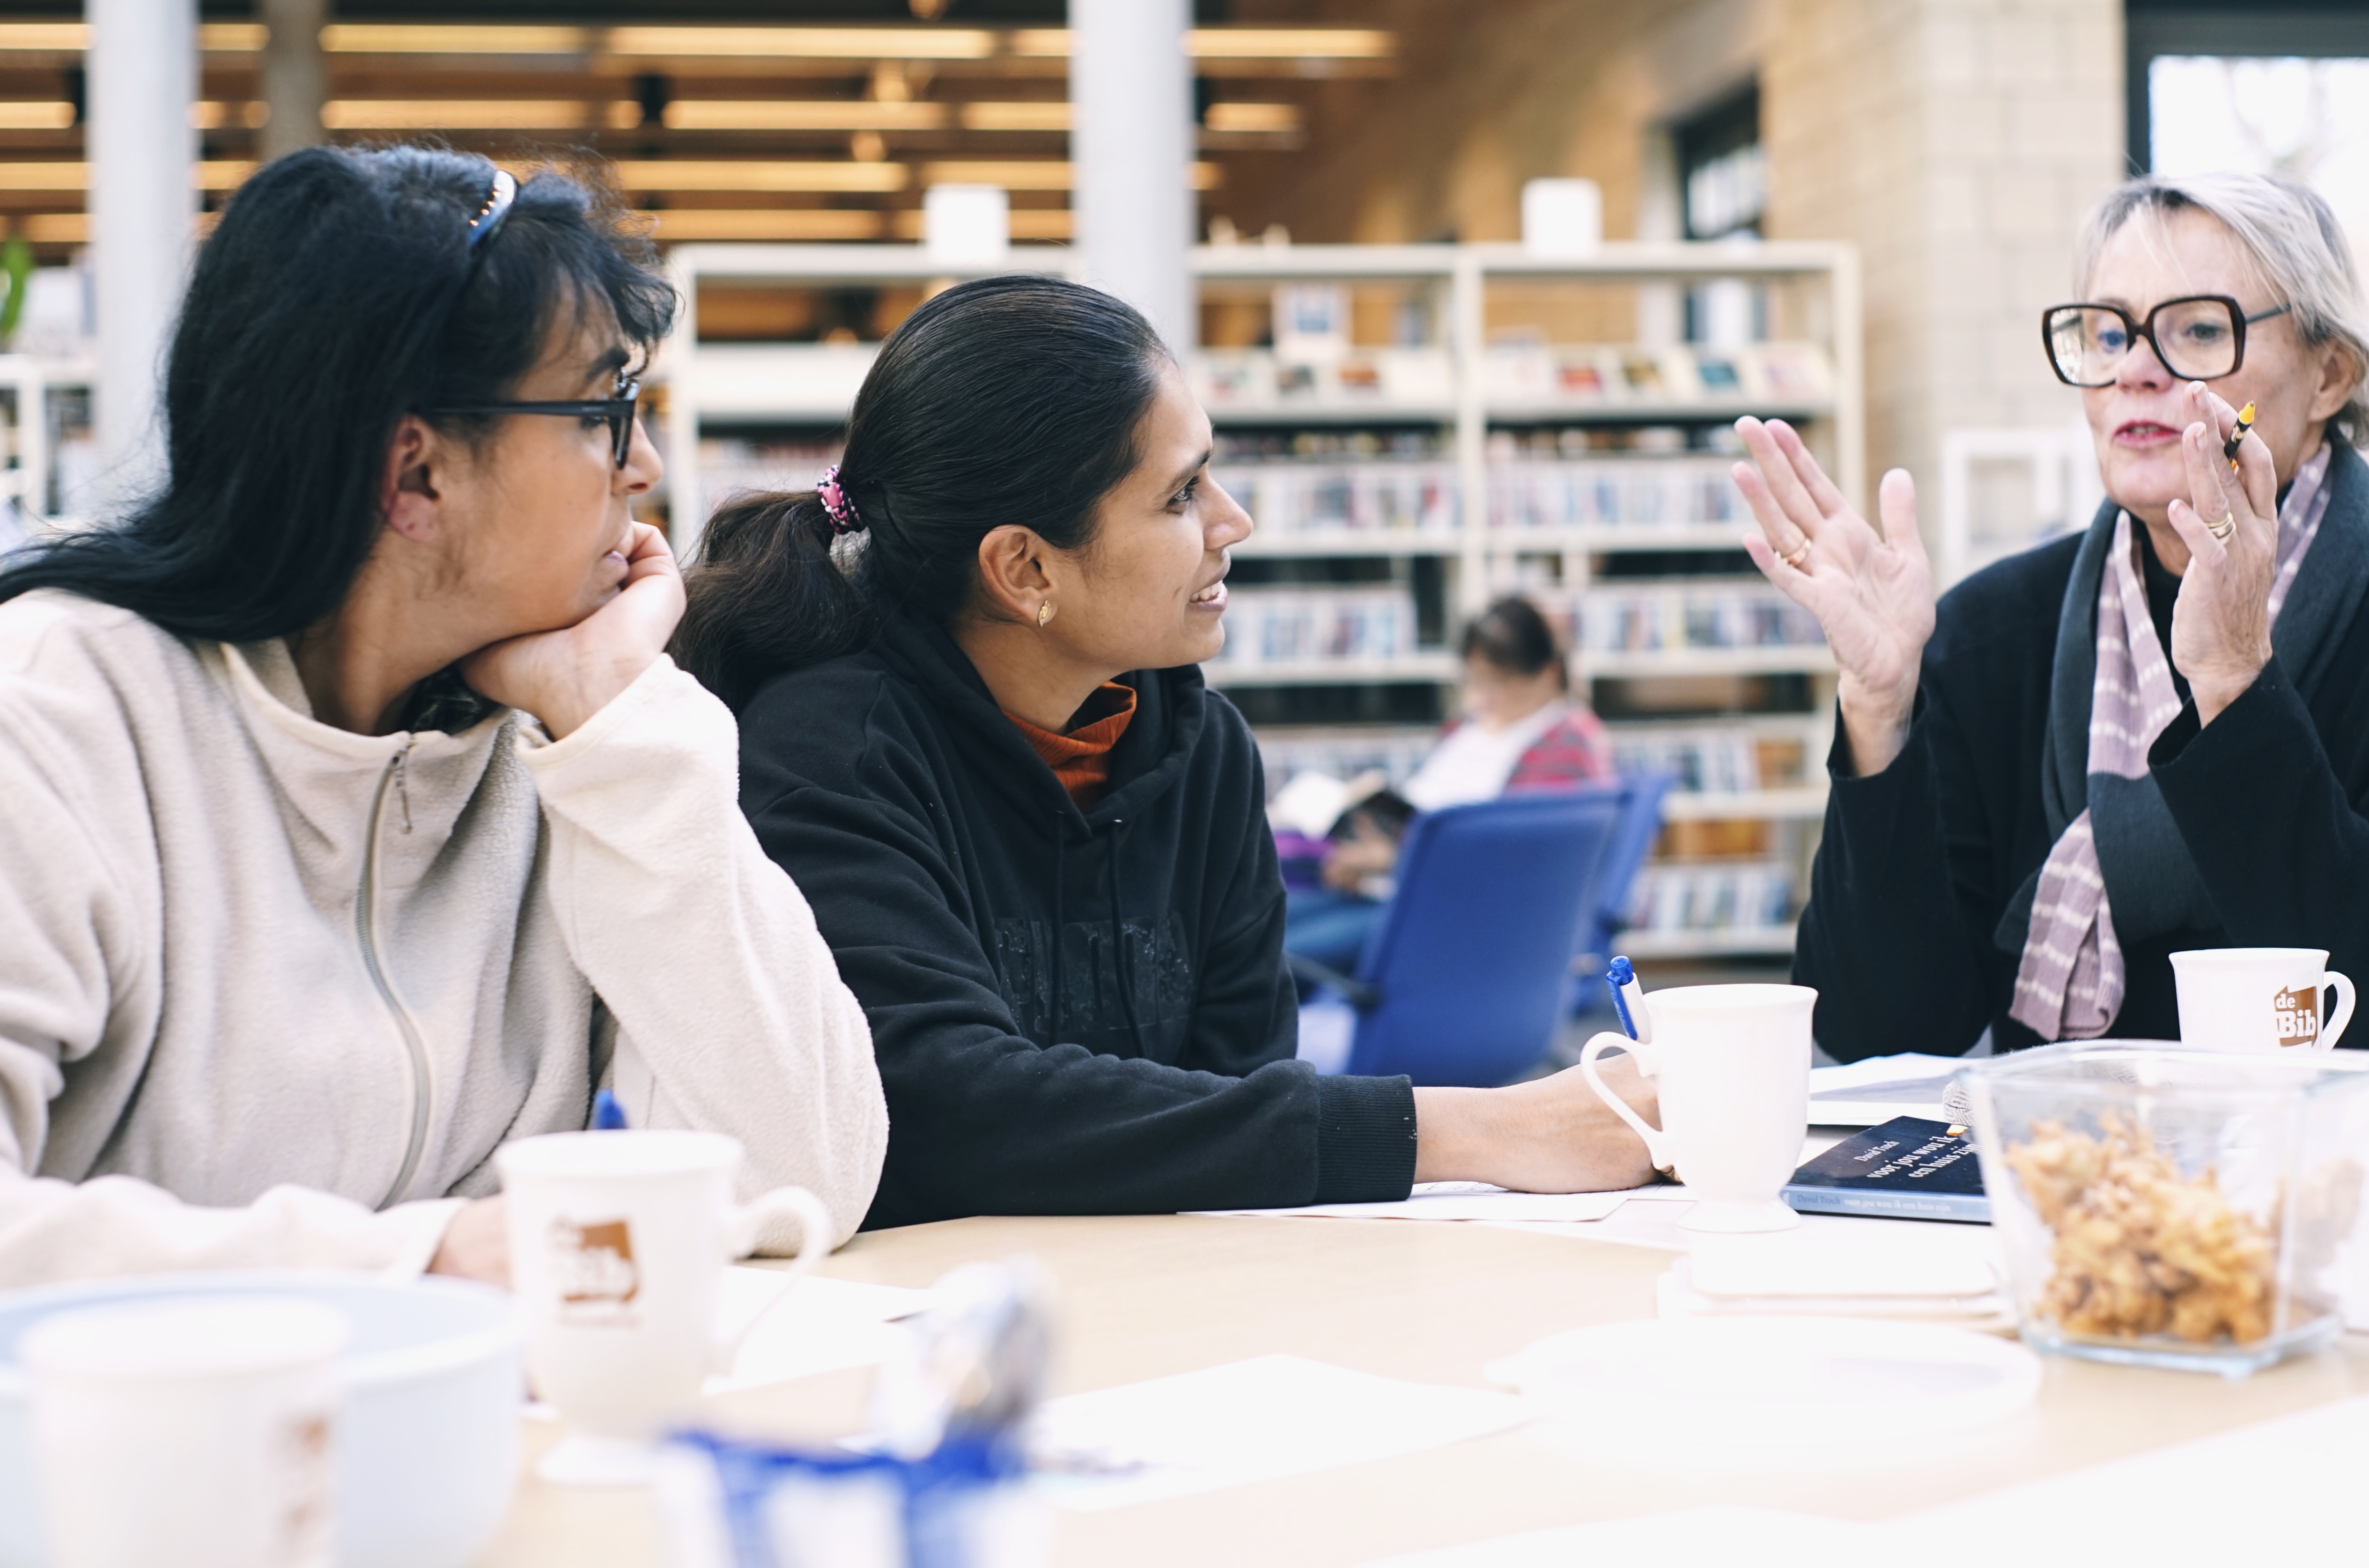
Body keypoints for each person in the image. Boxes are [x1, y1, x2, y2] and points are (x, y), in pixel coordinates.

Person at [0, 147, 888, 1311]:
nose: (642, 465)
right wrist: (411, 1269)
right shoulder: (32, 730)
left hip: (477, 1469)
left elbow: (807, 1178)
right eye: (603, 410)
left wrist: (625, 729)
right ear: (413, 470)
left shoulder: (564, 744)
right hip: (123, 1477)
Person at [672, 275, 1656, 1229]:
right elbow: (938, 1106)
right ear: (1025, 567)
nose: (1234, 522)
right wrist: (1473, 1126)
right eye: (1182, 493)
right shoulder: (826, 746)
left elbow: (1239, 1095)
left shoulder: (1203, 749)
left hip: (1172, 1295)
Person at [1734, 171, 2369, 1102]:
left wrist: (2236, 685)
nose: (2135, 368)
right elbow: (1878, 1029)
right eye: (2109, 331)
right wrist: (1878, 713)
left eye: (2198, 329)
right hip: (2086, 1186)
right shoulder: (1992, 629)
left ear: (2327, 374)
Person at [1280, 594, 1616, 979]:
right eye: (1476, 678)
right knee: (1254, 929)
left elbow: (1522, 867)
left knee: (1283, 956)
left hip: (1458, 917)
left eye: (1500, 681)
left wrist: (1394, 862)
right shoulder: (1466, 729)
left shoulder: (1566, 745)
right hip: (1402, 891)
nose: (1483, 695)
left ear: (1547, 674)